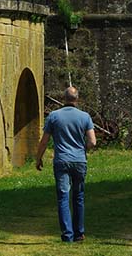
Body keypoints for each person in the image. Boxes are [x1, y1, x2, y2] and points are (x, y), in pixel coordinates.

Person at [35, 86, 96, 242]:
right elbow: (92, 142)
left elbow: (44, 141)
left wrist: (38, 158)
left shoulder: (54, 116)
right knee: (79, 197)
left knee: (63, 197)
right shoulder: (85, 117)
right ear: (77, 99)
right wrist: (84, 148)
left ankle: (67, 234)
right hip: (79, 160)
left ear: (64, 99)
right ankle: (79, 233)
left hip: (61, 160)